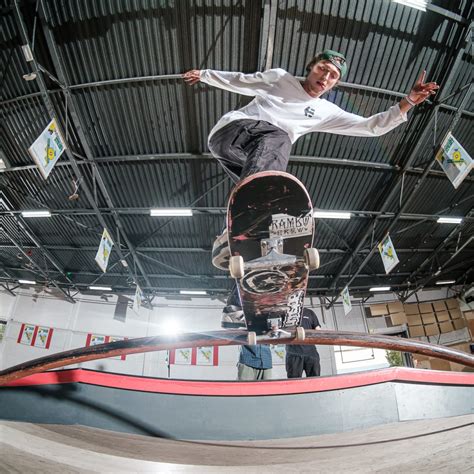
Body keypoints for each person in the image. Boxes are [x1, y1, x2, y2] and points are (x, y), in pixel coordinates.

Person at [183, 49, 439, 325]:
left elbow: (370, 127)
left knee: (272, 223)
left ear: (335, 83)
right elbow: (242, 80)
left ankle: (235, 305)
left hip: (256, 158)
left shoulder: (326, 111)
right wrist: (205, 74)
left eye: (332, 76)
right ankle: (252, 210)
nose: (325, 77)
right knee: (281, 140)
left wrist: (408, 102)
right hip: (233, 132)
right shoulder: (280, 79)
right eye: (322, 69)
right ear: (311, 67)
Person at [286, 307, 322, 378]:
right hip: (293, 354)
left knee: (315, 380)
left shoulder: (310, 312)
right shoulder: (286, 314)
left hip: (311, 353)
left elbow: (318, 330)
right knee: (294, 382)